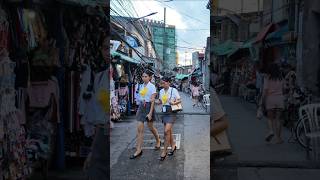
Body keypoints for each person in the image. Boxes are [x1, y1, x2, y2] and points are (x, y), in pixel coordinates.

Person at [130, 70, 161, 159]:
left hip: (148, 107)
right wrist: (140, 101)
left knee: (151, 127)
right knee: (139, 129)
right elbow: (138, 97)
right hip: (141, 107)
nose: (144, 78)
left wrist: (150, 113)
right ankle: (139, 149)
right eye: (143, 76)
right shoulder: (140, 86)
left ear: (150, 77)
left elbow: (152, 102)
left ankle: (158, 140)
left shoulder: (152, 87)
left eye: (146, 76)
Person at [155, 76, 181, 161]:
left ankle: (164, 151)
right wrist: (155, 101)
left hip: (172, 111)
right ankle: (173, 146)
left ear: (168, 82)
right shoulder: (161, 91)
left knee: (166, 131)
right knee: (169, 131)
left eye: (164, 83)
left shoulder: (173, 90)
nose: (162, 84)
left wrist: (173, 102)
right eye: (161, 83)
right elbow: (160, 101)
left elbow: (179, 100)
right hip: (164, 111)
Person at [260, 63, 285, 144]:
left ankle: (271, 131)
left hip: (270, 99)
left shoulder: (267, 78)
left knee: (270, 118)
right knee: (278, 119)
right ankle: (279, 138)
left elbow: (265, 91)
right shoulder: (281, 78)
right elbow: (283, 89)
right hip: (280, 99)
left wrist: (262, 101)